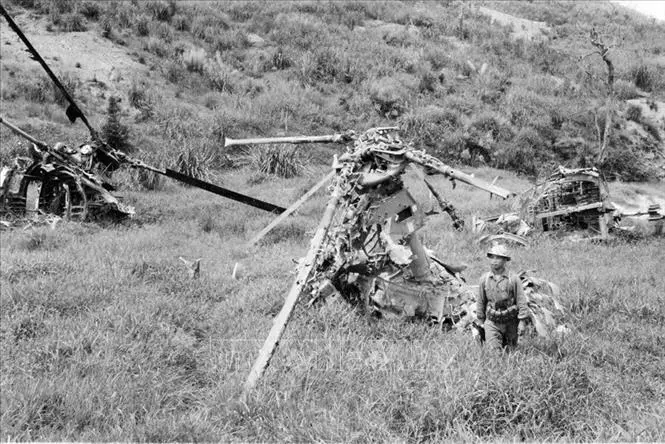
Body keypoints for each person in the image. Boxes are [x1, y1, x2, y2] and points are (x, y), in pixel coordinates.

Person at [476, 244, 529, 351]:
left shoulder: (513, 279)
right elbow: (481, 301)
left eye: (498, 257)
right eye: (492, 257)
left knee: (511, 351)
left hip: (511, 322)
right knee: (493, 352)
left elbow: (521, 301)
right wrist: (480, 321)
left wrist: (522, 322)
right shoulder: (484, 279)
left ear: (505, 260)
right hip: (492, 322)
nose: (494, 261)